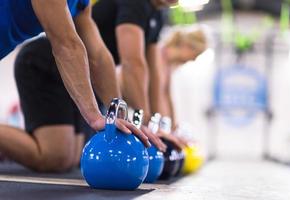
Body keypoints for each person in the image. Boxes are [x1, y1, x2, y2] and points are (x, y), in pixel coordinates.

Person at [0, 1, 152, 172]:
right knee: (55, 155)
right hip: (33, 58)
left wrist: (120, 116)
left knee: (68, 156)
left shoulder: (81, 3)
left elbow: (98, 56)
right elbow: (65, 44)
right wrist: (95, 116)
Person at [92, 0, 185, 150]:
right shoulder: (135, 3)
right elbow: (132, 63)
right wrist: (143, 120)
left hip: (94, 76)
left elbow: (154, 75)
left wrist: (156, 124)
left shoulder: (158, 14)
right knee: (59, 156)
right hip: (63, 68)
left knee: (70, 155)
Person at [159, 28, 208, 132]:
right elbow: (158, 96)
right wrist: (164, 128)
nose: (194, 59)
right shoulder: (157, 56)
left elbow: (167, 96)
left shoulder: (169, 66)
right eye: (196, 54)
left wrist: (173, 127)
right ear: (187, 46)